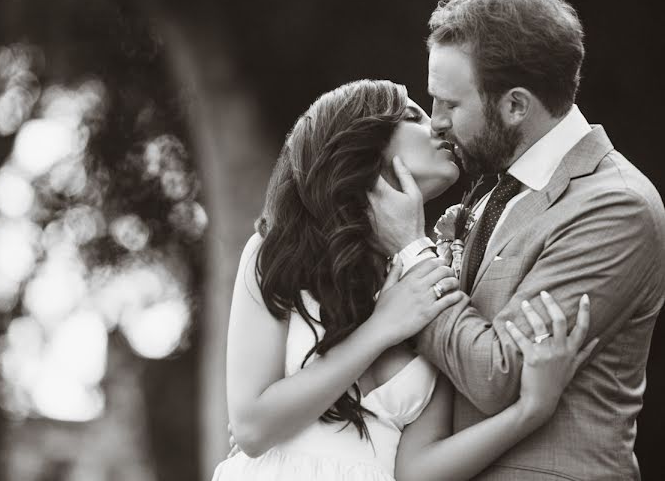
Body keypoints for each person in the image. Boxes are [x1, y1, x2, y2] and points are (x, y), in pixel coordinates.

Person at [211, 79, 596, 481]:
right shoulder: (278, 254)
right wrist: (383, 326)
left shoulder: (437, 280)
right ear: (361, 141)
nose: (438, 127)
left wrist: (530, 411)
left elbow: (417, 471)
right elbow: (252, 429)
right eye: (413, 116)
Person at [371, 0, 665, 479]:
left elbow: (495, 374)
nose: (436, 123)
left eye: (451, 105)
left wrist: (411, 249)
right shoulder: (496, 191)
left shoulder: (615, 206)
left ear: (515, 106)